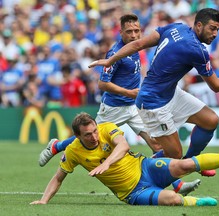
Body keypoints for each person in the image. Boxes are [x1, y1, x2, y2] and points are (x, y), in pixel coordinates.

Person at [38, 14, 197, 195]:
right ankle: (57, 146)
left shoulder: (136, 49)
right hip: (113, 108)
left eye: (137, 31)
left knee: (157, 145)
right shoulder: (115, 53)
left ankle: (176, 184)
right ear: (120, 32)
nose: (134, 35)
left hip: (133, 107)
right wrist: (129, 92)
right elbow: (102, 84)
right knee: (90, 136)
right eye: (129, 31)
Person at [88, 8, 219, 176]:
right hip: (152, 103)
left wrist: (110, 60)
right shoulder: (197, 50)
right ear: (199, 25)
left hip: (170, 93)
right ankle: (142, 172)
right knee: (175, 155)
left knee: (211, 120)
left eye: (217, 29)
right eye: (212, 28)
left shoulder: (176, 27)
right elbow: (216, 86)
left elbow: (138, 44)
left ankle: (192, 161)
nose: (215, 34)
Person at [30, 112, 219, 206]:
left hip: (145, 167)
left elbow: (124, 145)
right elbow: (58, 178)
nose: (94, 136)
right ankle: (198, 202)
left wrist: (107, 163)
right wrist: (44, 200)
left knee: (184, 163)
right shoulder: (74, 152)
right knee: (173, 200)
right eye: (87, 135)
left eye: (94, 131)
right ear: (77, 136)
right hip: (133, 192)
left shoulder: (108, 128)